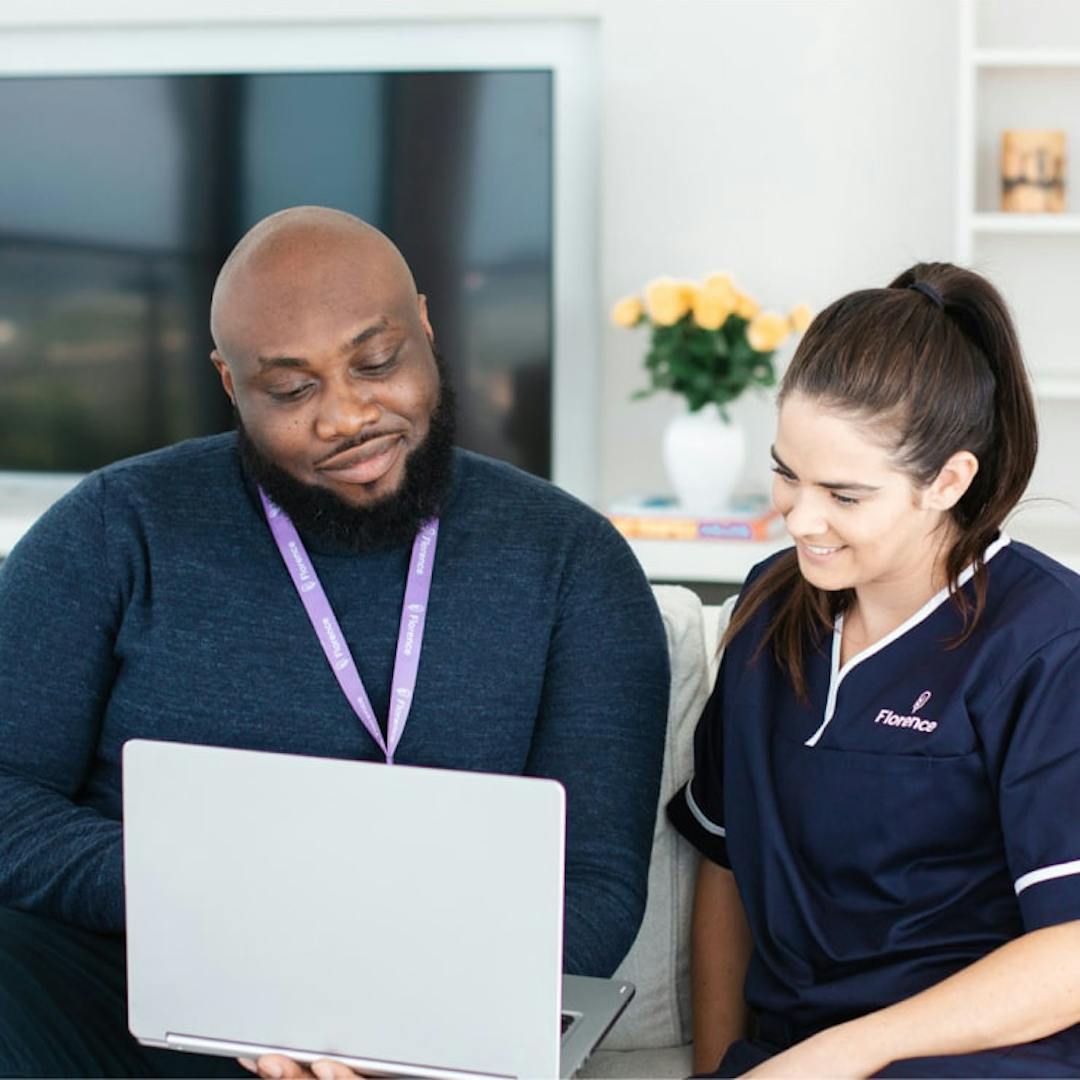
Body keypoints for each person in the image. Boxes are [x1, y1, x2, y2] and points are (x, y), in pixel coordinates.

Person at [0, 206, 669, 1079]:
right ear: (230, 384)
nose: (346, 417)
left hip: (435, 1014)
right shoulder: (114, 527)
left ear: (426, 328)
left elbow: (594, 883)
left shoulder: (574, 564)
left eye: (377, 362)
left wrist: (383, 1011)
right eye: (290, 389)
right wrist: (205, 900)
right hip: (128, 998)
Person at [668, 261, 1080, 1077]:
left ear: (949, 480)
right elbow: (723, 865)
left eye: (844, 495)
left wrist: (840, 1056)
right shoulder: (767, 609)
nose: (801, 518)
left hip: (982, 1059)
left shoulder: (1046, 640)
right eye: (787, 474)